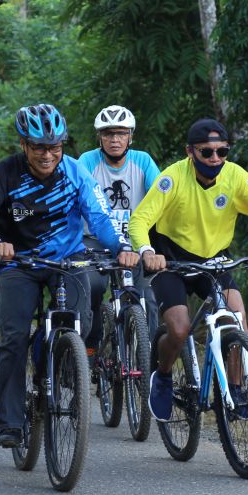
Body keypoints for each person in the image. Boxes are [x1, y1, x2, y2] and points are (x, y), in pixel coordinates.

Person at [0, 103, 137, 448]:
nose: (48, 155)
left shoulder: (76, 172)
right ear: (23, 145)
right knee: (14, 337)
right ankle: (12, 422)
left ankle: (65, 361)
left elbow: (100, 218)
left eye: (55, 147)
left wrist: (121, 247)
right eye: (39, 147)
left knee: (83, 315)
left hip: (68, 259)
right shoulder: (3, 175)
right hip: (20, 263)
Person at [128, 118, 248, 422]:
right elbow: (140, 220)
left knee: (237, 320)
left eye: (222, 151)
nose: (215, 159)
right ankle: (161, 375)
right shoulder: (172, 178)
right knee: (179, 329)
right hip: (170, 260)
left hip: (213, 260)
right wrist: (147, 252)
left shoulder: (235, 176)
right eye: (207, 152)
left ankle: (237, 389)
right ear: (190, 152)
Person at [75, 104, 161, 352]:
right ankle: (89, 346)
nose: (115, 139)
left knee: (148, 298)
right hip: (94, 241)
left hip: (134, 242)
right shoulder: (87, 162)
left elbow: (161, 199)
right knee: (92, 286)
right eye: (108, 133)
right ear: (99, 137)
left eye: (121, 133)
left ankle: (149, 360)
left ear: (130, 136)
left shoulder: (143, 161)